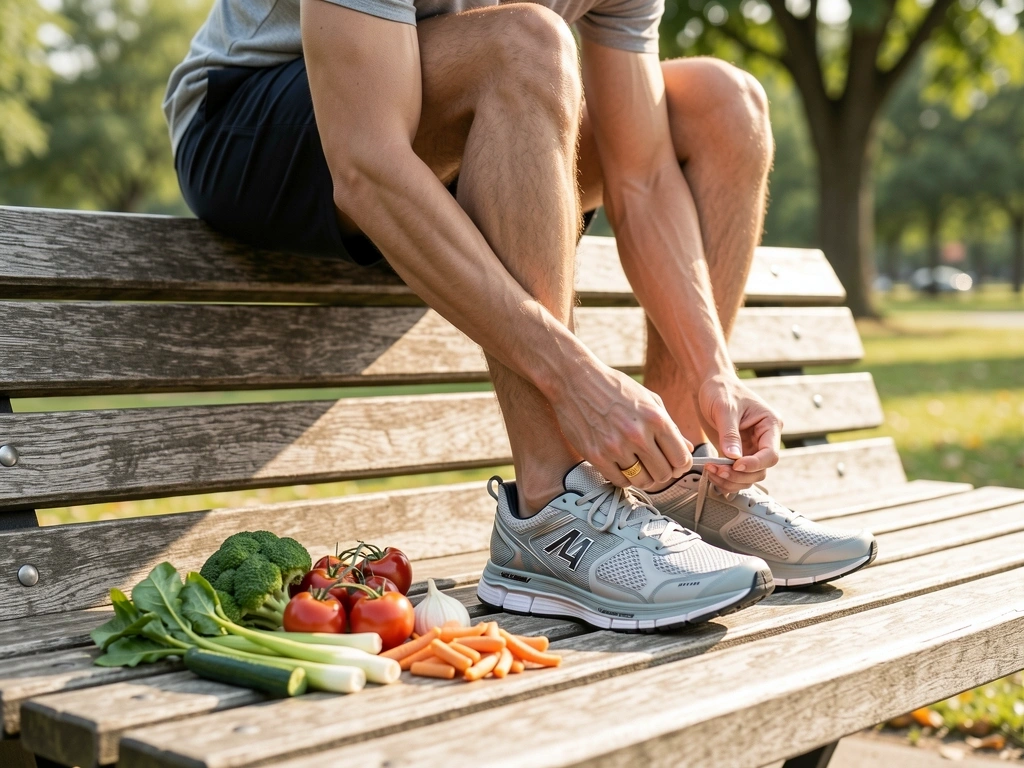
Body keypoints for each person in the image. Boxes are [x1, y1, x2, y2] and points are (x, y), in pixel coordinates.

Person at [164, 0, 877, 633]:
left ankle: (676, 484)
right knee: (525, 42)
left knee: (725, 103)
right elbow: (365, 165)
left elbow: (644, 177)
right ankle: (552, 512)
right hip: (254, 123)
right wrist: (578, 380)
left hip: (456, 113)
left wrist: (712, 366)